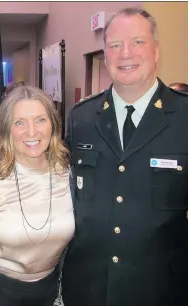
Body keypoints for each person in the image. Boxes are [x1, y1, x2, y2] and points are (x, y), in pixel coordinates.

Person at [63, 7, 188, 306]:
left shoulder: (184, 116)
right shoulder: (81, 118)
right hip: (87, 291)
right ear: (105, 55)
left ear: (156, 50)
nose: (125, 53)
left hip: (161, 291)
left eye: (138, 42)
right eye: (115, 45)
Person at [0, 85, 74, 306]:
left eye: (40, 120)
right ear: (6, 129)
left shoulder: (70, 177)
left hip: (53, 292)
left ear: (54, 124)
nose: (31, 132)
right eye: (19, 122)